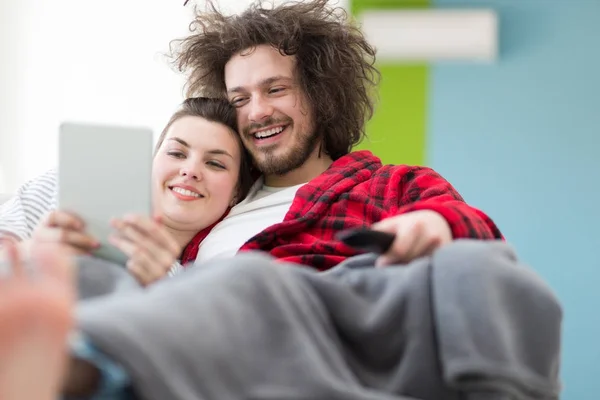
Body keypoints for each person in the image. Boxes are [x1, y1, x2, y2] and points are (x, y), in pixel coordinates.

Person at [0, 1, 562, 399]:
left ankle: (69, 369)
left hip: (335, 324)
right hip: (221, 350)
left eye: (275, 89)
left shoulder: (387, 184)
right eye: (239, 97)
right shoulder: (216, 204)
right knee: (104, 276)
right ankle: (62, 364)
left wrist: (434, 226)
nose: (256, 111)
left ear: (320, 94)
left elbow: (473, 230)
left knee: (252, 282)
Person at [3, 97, 254, 286]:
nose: (190, 170)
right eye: (177, 153)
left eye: (215, 163)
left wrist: (159, 293)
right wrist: (32, 252)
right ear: (152, 161)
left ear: (236, 192)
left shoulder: (190, 285)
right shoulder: (65, 186)